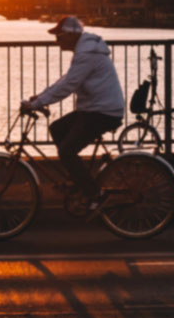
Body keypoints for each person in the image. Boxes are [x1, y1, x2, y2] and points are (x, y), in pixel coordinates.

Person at [21, 16, 124, 210]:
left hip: (102, 111)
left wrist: (38, 103)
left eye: (59, 36)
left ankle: (95, 194)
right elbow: (66, 79)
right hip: (93, 108)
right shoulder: (84, 51)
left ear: (70, 35)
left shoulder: (87, 54)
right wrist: (40, 97)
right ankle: (79, 180)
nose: (56, 41)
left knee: (67, 151)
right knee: (57, 128)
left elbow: (68, 86)